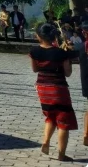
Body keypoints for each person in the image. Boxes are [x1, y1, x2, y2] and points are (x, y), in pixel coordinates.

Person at [31, 22, 77, 161]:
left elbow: (35, 69)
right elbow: (67, 73)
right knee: (63, 120)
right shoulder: (60, 53)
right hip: (58, 89)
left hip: (42, 88)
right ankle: (62, 154)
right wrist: (69, 61)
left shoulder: (34, 51)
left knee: (50, 116)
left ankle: (45, 141)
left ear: (39, 36)